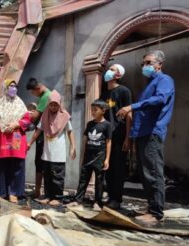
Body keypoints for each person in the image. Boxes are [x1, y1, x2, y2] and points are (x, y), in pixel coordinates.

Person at [117, 50, 175, 224]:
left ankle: (156, 213)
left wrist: (132, 106)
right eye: (143, 64)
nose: (145, 66)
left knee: (153, 172)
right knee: (144, 173)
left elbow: (160, 99)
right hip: (142, 134)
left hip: (152, 133)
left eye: (148, 63)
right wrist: (132, 135)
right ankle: (151, 206)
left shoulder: (164, 80)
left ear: (159, 65)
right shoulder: (150, 84)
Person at [0, 79, 31, 203]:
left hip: (16, 138)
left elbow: (27, 120)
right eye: (10, 86)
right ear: (5, 88)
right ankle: (2, 192)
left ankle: (14, 193)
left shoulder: (20, 104)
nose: (13, 88)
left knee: (17, 165)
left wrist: (17, 123)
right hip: (2, 139)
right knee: (2, 165)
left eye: (15, 86)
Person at [28, 90, 76, 206]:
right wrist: (30, 142)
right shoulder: (45, 115)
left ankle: (58, 198)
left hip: (58, 153)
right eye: (51, 104)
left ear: (59, 104)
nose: (53, 107)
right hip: (47, 152)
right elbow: (38, 131)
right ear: (48, 104)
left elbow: (70, 132)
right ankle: (48, 196)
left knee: (57, 176)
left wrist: (73, 147)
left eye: (56, 104)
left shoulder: (64, 115)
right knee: (48, 176)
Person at [68, 99, 112, 210]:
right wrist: (81, 155)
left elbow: (108, 142)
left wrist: (107, 159)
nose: (92, 112)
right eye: (92, 110)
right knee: (83, 179)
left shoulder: (107, 125)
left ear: (103, 111)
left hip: (100, 157)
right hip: (88, 156)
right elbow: (85, 140)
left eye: (95, 110)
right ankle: (78, 200)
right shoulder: (90, 124)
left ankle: (97, 202)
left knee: (99, 180)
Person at [100, 63, 132, 210]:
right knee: (108, 167)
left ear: (118, 75)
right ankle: (109, 195)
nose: (108, 71)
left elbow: (129, 115)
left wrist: (127, 137)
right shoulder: (104, 93)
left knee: (118, 168)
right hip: (106, 136)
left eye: (112, 70)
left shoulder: (124, 91)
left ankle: (116, 199)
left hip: (119, 136)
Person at [26, 78, 51, 198]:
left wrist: (26, 113)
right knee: (42, 162)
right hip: (46, 135)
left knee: (40, 163)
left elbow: (35, 117)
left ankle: (38, 191)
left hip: (43, 135)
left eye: (32, 92)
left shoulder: (45, 96)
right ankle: (39, 191)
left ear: (37, 88)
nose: (33, 94)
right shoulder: (47, 95)